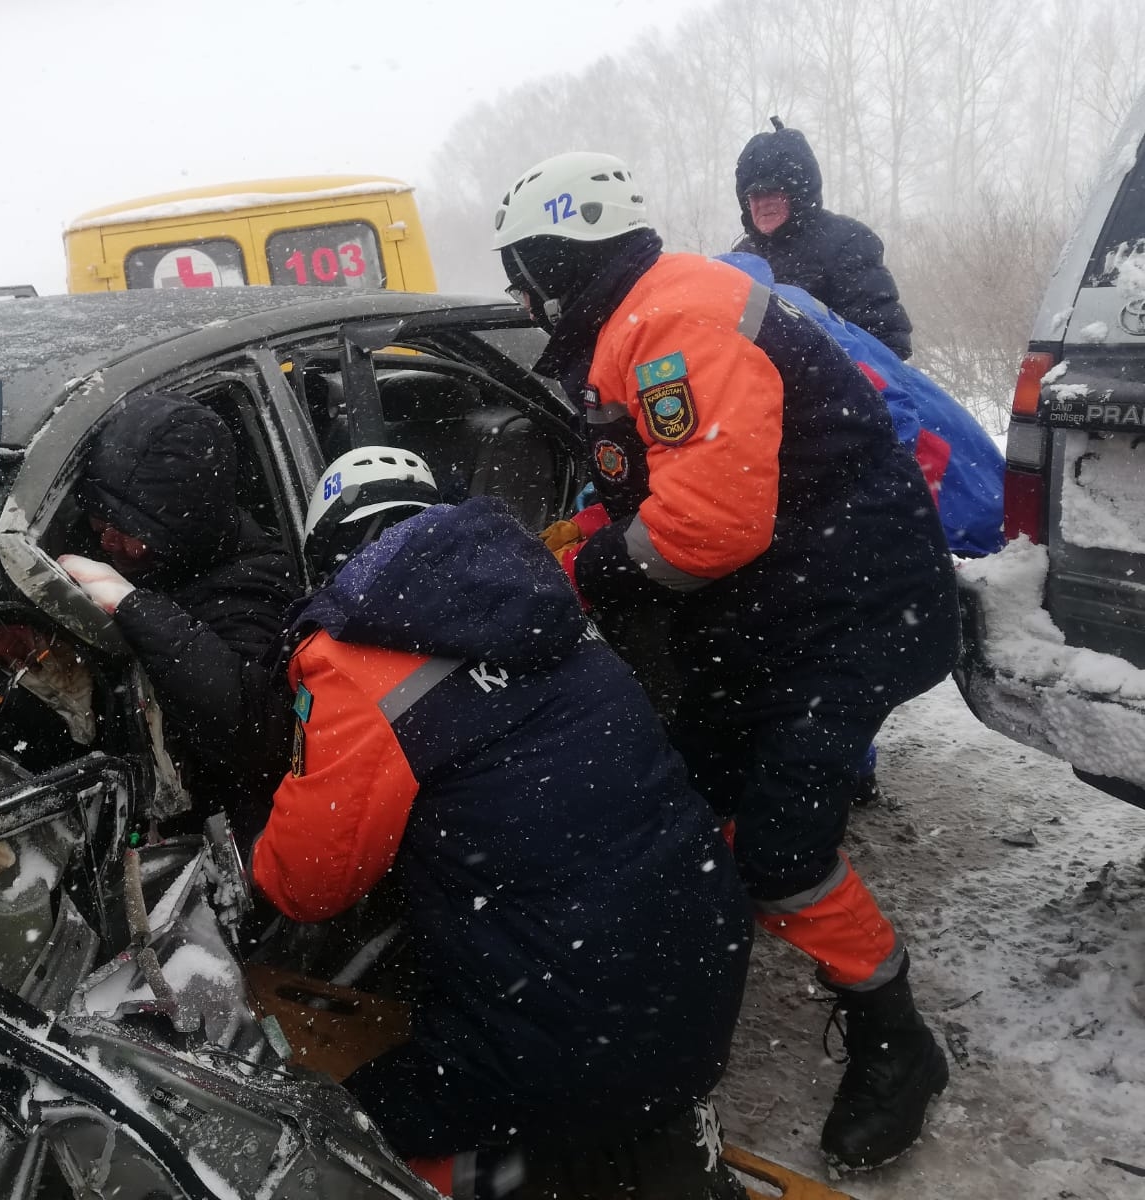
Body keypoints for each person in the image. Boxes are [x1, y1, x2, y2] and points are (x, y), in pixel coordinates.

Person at [495, 151, 959, 1172]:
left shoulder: (674, 323)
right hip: (784, 610)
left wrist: (589, 578)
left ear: (558, 258)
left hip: (853, 611)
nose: (518, 296)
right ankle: (697, 975)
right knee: (697, 790)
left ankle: (897, 1040)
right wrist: (577, 540)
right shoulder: (633, 323)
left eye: (522, 272)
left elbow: (708, 526)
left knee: (784, 853)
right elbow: (651, 483)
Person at [250, 446, 754, 1199]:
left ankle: (550, 1176)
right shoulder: (537, 598)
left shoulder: (355, 659)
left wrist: (254, 838)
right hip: (702, 969)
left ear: (329, 553)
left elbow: (304, 888)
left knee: (328, 1136)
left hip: (566, 1044)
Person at [718, 249, 1006, 805]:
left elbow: (885, 414)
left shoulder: (777, 318)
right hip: (927, 481)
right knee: (849, 634)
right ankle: (845, 767)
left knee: (859, 630)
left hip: (951, 485)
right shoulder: (771, 310)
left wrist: (842, 514)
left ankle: (848, 772)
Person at [58, 392, 301, 829]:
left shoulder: (254, 583)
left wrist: (133, 605)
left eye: (127, 532)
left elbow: (251, 732)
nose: (108, 545)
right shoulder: (131, 547)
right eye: (99, 526)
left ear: (183, 528)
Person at [734, 117, 914, 360]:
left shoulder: (846, 241)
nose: (763, 202)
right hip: (762, 392)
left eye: (772, 191)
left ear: (798, 193)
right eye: (753, 195)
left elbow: (885, 342)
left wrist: (821, 382)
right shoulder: (741, 258)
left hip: (837, 390)